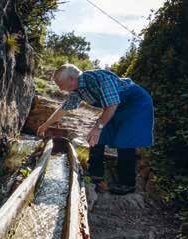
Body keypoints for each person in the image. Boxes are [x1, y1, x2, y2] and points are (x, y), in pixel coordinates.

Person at [37, 64, 154, 195]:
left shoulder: (100, 78)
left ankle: (127, 184)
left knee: (125, 141)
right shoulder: (77, 90)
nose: (59, 87)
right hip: (116, 108)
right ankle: (95, 174)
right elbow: (64, 109)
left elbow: (112, 104)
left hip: (135, 104)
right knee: (98, 138)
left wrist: (97, 127)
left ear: (71, 79)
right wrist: (46, 124)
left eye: (59, 83)